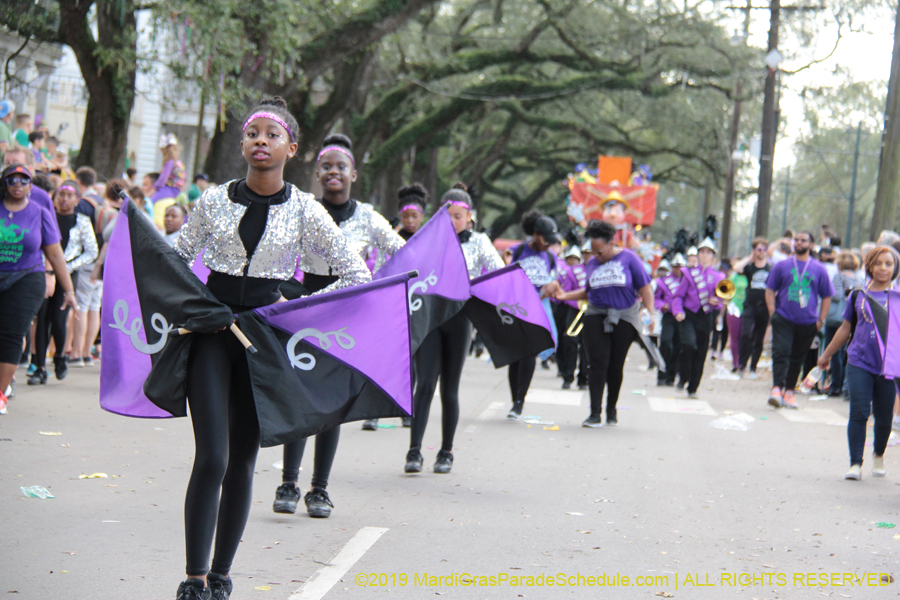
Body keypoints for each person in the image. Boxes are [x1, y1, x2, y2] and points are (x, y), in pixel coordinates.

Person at [171, 97, 370, 600]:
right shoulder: (213, 200)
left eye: (272, 134)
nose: (261, 141)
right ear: (242, 143)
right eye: (252, 133)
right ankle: (193, 578)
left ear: (291, 148)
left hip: (263, 345)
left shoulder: (305, 209)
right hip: (211, 337)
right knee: (211, 456)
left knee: (241, 461)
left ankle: (221, 576)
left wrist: (295, 309)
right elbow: (173, 259)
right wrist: (199, 306)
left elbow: (357, 274)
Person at [276, 133, 405, 519]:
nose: (334, 172)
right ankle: (288, 483)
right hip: (304, 311)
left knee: (332, 402)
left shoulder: (368, 217)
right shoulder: (302, 210)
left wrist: (376, 290)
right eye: (326, 167)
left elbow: (404, 253)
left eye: (341, 167)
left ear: (353, 175)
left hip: (347, 318)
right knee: (300, 396)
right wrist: (285, 295)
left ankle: (319, 489)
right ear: (318, 174)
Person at [405, 184, 504, 474]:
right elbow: (409, 270)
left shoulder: (480, 242)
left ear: (469, 217)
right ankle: (414, 451)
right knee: (425, 384)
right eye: (447, 216)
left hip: (461, 320)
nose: (452, 221)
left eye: (458, 216)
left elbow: (498, 271)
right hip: (430, 318)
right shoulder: (427, 240)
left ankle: (446, 452)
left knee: (450, 388)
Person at [554, 220, 654, 427]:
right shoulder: (592, 263)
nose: (596, 256)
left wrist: (649, 314)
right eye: (593, 252)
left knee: (615, 366)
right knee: (597, 363)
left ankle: (611, 409)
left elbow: (645, 289)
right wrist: (565, 295)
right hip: (595, 315)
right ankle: (594, 413)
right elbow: (588, 291)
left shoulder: (629, 258)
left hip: (624, 318)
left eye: (599, 252)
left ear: (611, 244)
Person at [0, 165, 78, 414]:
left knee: (12, 335)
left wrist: (69, 291)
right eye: (12, 180)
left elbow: (55, 254)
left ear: (30, 186)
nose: (18, 184)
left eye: (24, 180)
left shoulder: (39, 212)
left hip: (26, 278)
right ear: (4, 184)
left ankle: (1, 394)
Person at [817, 246, 898, 480]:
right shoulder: (857, 295)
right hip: (859, 361)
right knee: (859, 412)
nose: (883, 268)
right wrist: (826, 355)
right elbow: (845, 329)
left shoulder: (898, 297)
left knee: (884, 418)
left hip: (889, 367)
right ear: (869, 266)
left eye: (889, 264)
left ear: (895, 268)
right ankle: (855, 464)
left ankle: (879, 455)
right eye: (878, 263)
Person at [28, 183, 97, 384]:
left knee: (58, 320)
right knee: (42, 319)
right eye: (61, 195)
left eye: (69, 195)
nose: (64, 199)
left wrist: (68, 267)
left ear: (77, 200)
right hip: (45, 272)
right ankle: (40, 367)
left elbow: (91, 251)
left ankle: (59, 354)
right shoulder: (46, 216)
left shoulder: (82, 221)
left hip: (68, 275)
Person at [765, 230, 834, 409]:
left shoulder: (819, 268)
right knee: (781, 352)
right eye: (796, 240)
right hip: (783, 318)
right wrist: (773, 313)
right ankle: (776, 389)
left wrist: (821, 320)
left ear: (811, 244)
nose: (799, 243)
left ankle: (789, 391)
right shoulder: (782, 265)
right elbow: (770, 290)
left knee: (797, 358)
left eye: (803, 240)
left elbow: (827, 296)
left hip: (808, 322)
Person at [504, 210, 561, 420]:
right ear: (535, 235)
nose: (549, 244)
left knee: (530, 353)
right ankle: (515, 399)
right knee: (516, 356)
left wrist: (554, 284)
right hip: (516, 309)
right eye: (546, 239)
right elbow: (502, 275)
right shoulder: (517, 251)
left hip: (538, 311)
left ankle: (520, 401)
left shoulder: (550, 256)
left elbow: (556, 278)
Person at [676, 237, 723, 398]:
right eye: (702, 252)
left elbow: (720, 300)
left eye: (708, 252)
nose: (704, 255)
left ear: (713, 256)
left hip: (706, 316)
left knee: (701, 352)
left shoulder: (718, 276)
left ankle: (693, 388)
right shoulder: (689, 273)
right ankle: (683, 376)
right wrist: (678, 311)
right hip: (689, 315)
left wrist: (716, 302)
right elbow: (679, 296)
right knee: (689, 345)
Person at [733, 238, 771, 379]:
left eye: (764, 249)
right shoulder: (750, 267)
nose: (762, 252)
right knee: (746, 334)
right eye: (759, 249)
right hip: (750, 305)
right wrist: (749, 258)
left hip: (764, 306)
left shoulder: (770, 269)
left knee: (758, 338)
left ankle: (753, 367)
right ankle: (742, 364)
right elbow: (736, 268)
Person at [655, 254, 687, 386]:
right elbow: (656, 298)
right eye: (675, 267)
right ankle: (661, 374)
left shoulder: (687, 281)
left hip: (682, 317)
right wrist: (662, 305)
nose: (678, 269)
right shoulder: (664, 281)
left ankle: (671, 377)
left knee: (678, 347)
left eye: (680, 267)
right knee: (666, 343)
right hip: (668, 316)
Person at [555, 245, 584, 390]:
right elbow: (565, 292)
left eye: (574, 258)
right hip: (572, 309)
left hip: (591, 311)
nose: (572, 261)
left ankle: (584, 378)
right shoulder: (570, 272)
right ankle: (567, 375)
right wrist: (577, 303)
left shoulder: (595, 269)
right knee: (569, 341)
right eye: (569, 258)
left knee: (587, 346)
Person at [151, 134, 186, 228]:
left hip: (170, 189)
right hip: (177, 190)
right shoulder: (178, 163)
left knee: (150, 202)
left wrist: (153, 189)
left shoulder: (170, 162)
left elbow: (162, 180)